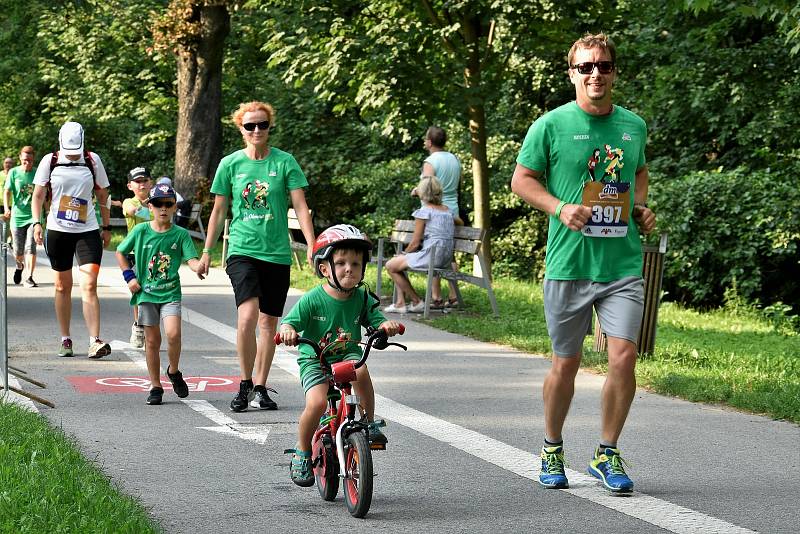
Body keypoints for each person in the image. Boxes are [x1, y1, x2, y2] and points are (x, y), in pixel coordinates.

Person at [510, 33, 656, 494]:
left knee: (625, 355)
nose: (596, 74)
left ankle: (606, 451)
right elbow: (521, 180)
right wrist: (559, 208)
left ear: (614, 72)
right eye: (586, 67)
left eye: (604, 66)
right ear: (572, 73)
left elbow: (638, 172)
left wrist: (640, 207)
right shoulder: (550, 126)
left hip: (622, 264)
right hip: (569, 264)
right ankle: (552, 446)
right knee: (566, 363)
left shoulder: (633, 125)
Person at [197, 100, 315, 412]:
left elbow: (300, 206)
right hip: (242, 249)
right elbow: (219, 210)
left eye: (262, 124)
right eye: (250, 126)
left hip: (276, 253)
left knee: (268, 323)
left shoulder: (285, 162)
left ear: (269, 126)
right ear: (241, 128)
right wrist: (207, 251)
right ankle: (245, 382)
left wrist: (313, 243)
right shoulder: (231, 164)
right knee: (248, 316)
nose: (257, 130)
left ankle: (261, 387)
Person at [278, 224, 401, 486]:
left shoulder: (363, 297)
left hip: (347, 357)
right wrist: (287, 331)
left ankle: (368, 422)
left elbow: (376, 320)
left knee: (362, 370)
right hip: (316, 360)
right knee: (317, 403)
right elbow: (289, 323)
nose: (349, 268)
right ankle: (302, 452)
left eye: (356, 264)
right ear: (325, 269)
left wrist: (385, 326)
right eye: (342, 262)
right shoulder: (313, 300)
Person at [31, 121, 114, 359]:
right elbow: (38, 195)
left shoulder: (92, 160)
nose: (73, 153)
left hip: (87, 231)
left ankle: (94, 340)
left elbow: (102, 195)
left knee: (89, 284)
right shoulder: (50, 161)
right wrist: (37, 222)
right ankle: (65, 339)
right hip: (58, 231)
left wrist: (106, 226)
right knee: (62, 286)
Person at [116, 183, 203, 405]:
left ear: (175, 207)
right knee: (152, 341)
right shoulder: (140, 231)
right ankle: (155, 385)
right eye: (157, 204)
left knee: (173, 334)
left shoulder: (180, 234)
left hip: (170, 293)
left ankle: (173, 371)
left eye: (168, 204)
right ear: (150, 206)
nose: (163, 208)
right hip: (146, 294)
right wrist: (130, 277)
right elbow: (120, 252)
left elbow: (191, 259)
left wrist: (198, 266)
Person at [384, 176, 454, 313]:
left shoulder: (424, 212)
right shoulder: (448, 211)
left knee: (391, 265)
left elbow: (415, 243)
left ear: (422, 193)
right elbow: (458, 222)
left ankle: (416, 301)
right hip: (445, 258)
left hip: (431, 256)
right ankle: (400, 303)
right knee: (397, 263)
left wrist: (404, 253)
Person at [418, 126, 462, 307]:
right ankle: (453, 294)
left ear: (429, 142)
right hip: (452, 210)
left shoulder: (430, 161)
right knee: (449, 255)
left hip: (434, 211)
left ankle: (436, 296)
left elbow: (427, 188)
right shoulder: (454, 160)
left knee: (434, 250)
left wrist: (416, 191)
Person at [121, 166, 154, 348]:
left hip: (156, 251)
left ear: (151, 183)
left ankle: (150, 325)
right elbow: (132, 211)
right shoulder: (129, 201)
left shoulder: (158, 201)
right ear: (130, 185)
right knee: (138, 289)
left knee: (154, 289)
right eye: (137, 181)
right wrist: (155, 213)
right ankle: (138, 324)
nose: (141, 184)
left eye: (145, 181)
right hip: (135, 252)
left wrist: (158, 208)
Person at [3, 146, 40, 287]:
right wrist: (7, 208)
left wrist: (48, 212)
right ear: (20, 158)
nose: (27, 163)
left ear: (33, 159)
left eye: (30, 160)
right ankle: (19, 266)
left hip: (34, 216)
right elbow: (7, 191)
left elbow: (45, 194)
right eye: (25, 160)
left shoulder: (38, 173)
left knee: (31, 246)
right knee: (18, 250)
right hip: (17, 216)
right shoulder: (13, 173)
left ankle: (29, 277)